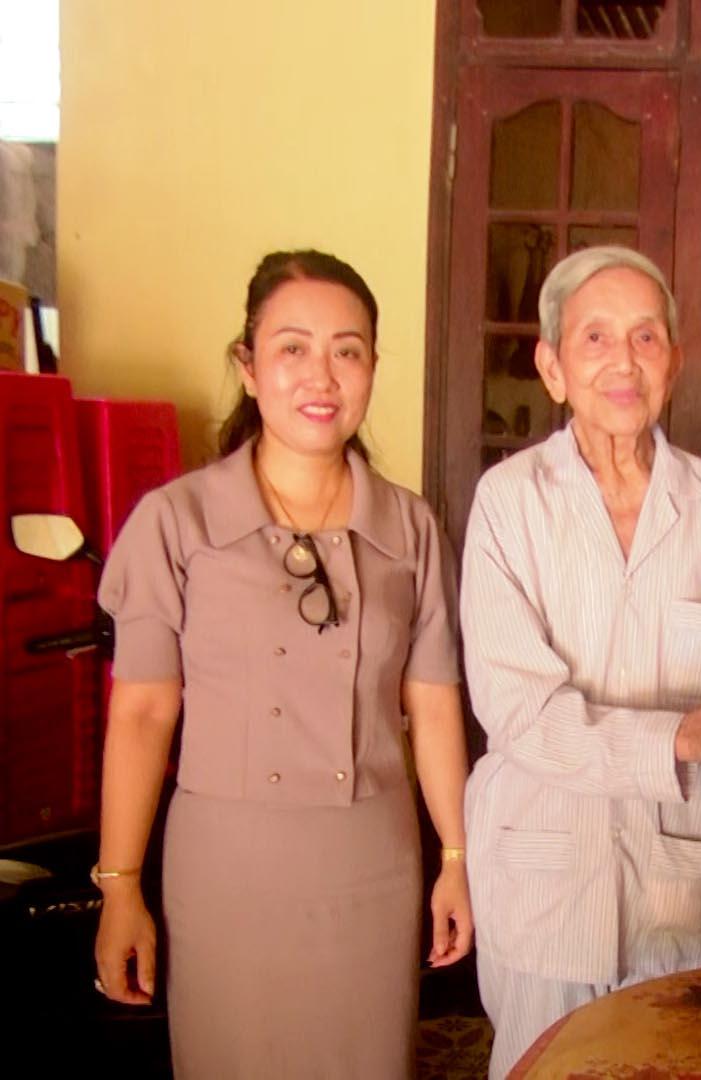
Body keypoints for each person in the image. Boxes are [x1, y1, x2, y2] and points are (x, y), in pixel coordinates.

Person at [92, 250, 473, 1076]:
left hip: (372, 867)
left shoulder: (410, 529)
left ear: (372, 368)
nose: (321, 376)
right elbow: (143, 714)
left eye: (347, 350)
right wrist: (120, 885)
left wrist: (456, 857)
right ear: (249, 366)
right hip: (226, 872)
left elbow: (435, 705)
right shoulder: (177, 522)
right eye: (292, 347)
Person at [459, 246, 701, 1078]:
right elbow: (517, 711)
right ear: (552, 367)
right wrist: (678, 736)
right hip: (544, 885)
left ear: (673, 363)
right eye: (596, 337)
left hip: (686, 892)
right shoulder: (509, 503)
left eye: (646, 338)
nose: (623, 361)